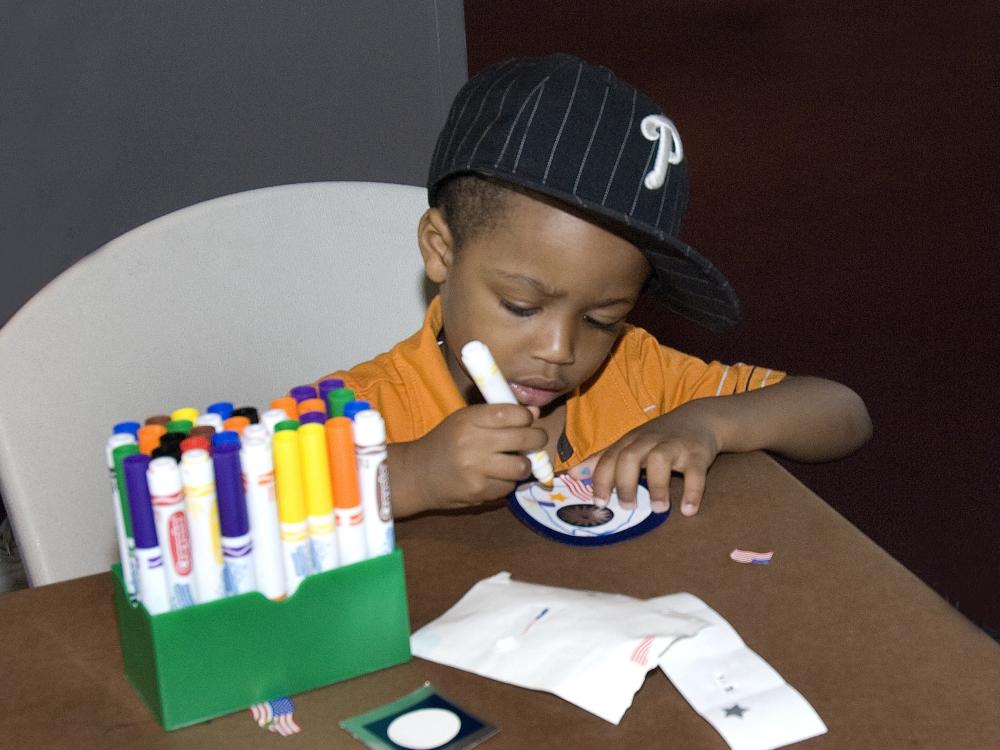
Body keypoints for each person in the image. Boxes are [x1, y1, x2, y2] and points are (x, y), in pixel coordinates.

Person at [322, 53, 871, 518]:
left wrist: (707, 423)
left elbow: (842, 412)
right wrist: (413, 475)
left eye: (600, 320)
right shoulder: (363, 408)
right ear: (441, 250)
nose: (559, 351)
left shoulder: (635, 376)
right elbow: (239, 513)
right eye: (521, 305)